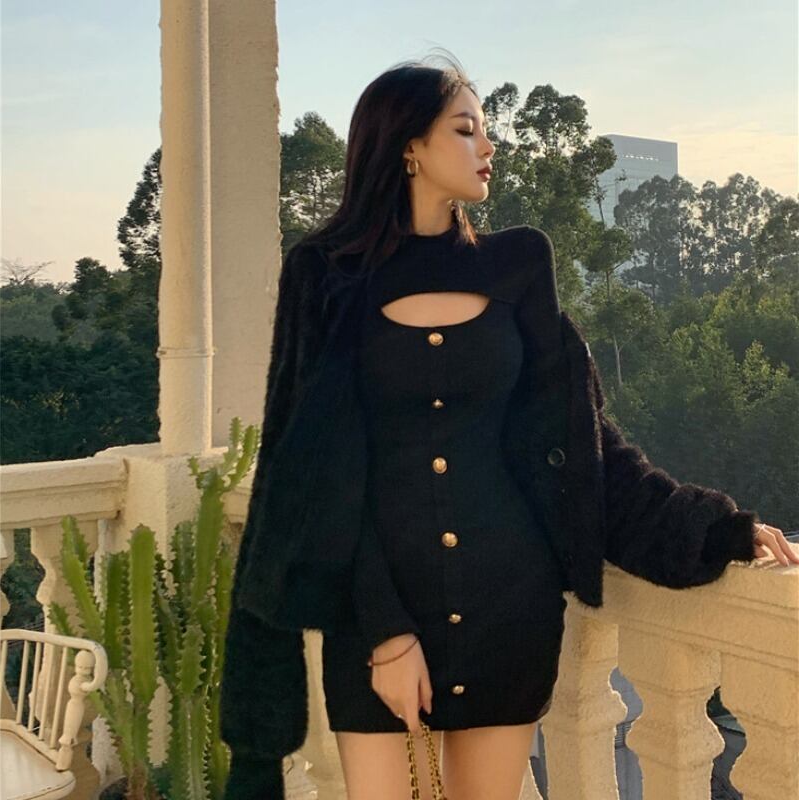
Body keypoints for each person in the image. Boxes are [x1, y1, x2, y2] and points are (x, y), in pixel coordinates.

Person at [220, 53, 797, 800]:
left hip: (509, 609)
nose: (489, 146)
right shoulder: (325, 274)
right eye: (466, 130)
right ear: (408, 146)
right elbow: (309, 474)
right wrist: (387, 635)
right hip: (373, 616)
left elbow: (581, 444)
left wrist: (712, 527)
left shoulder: (517, 264)